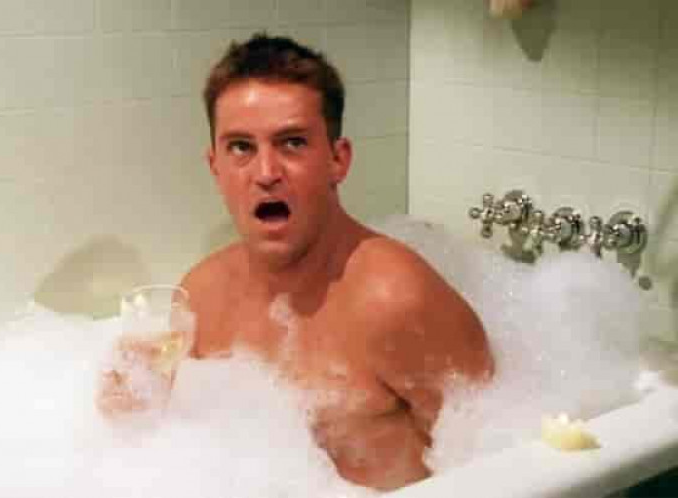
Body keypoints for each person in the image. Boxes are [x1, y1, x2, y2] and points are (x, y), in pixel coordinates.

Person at [100, 33, 494, 491]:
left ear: (338, 160)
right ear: (215, 166)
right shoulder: (203, 295)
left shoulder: (397, 301)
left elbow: (499, 461)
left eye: (292, 143)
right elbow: (175, 454)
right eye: (241, 147)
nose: (266, 173)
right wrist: (129, 405)